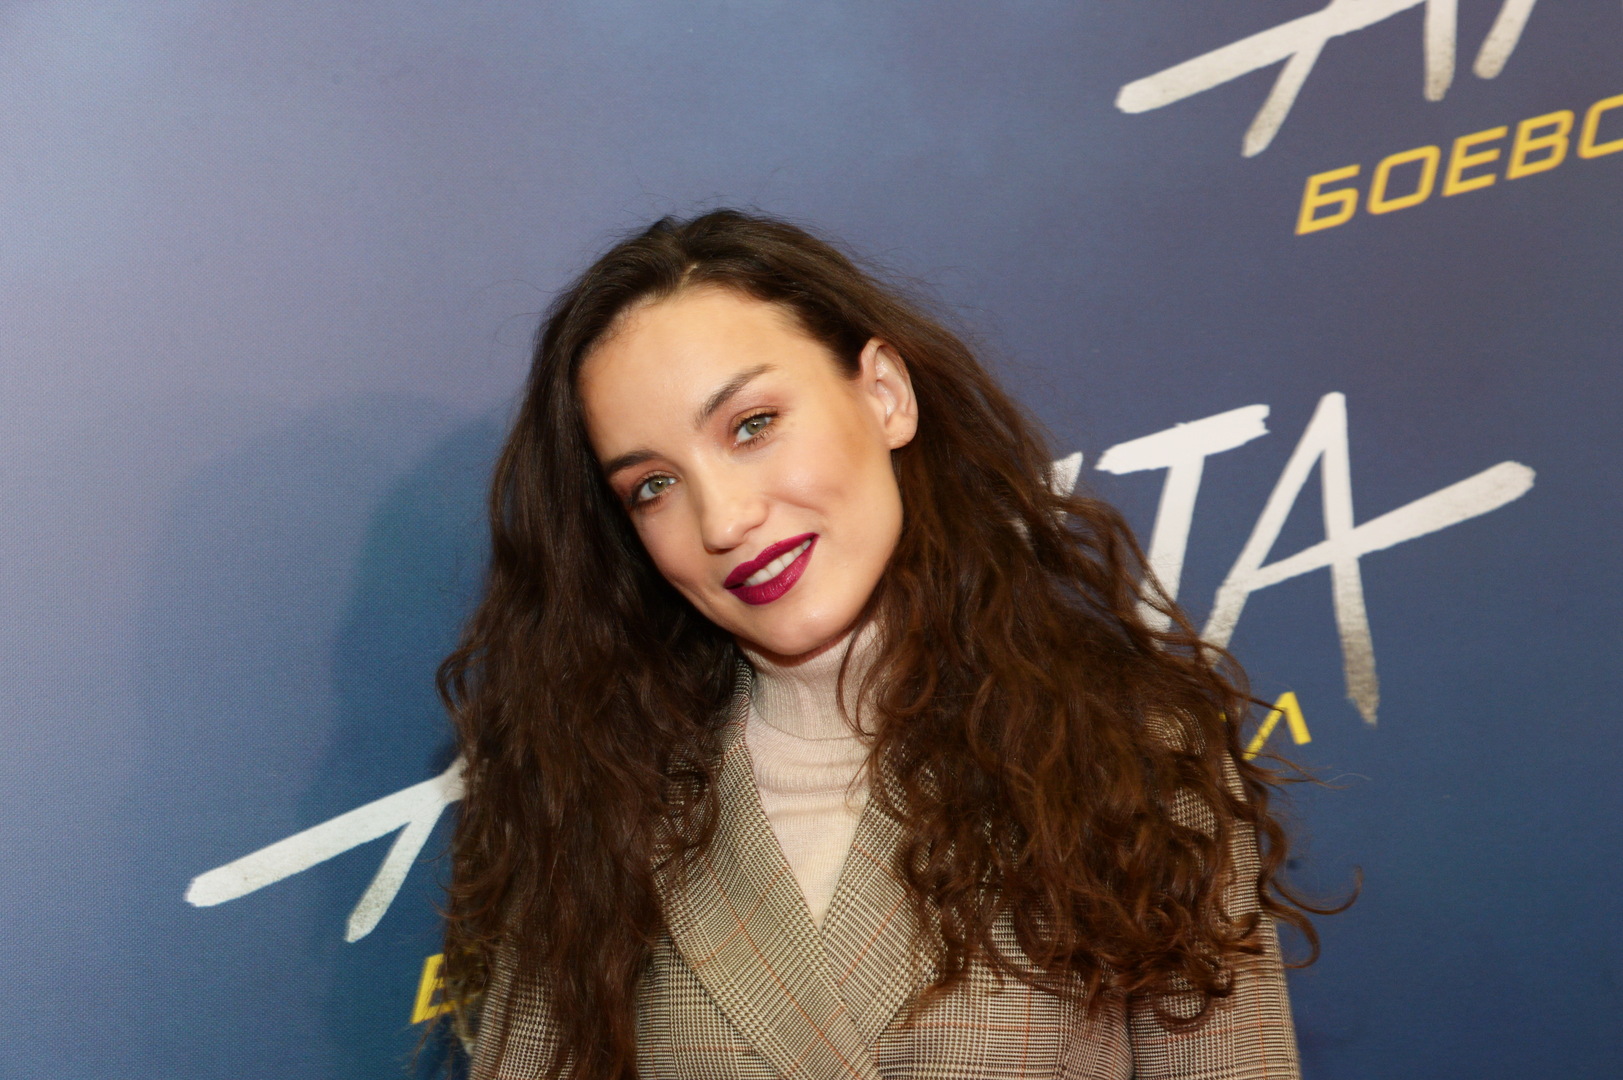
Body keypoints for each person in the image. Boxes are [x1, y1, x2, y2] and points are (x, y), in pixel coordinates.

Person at [438, 209, 1320, 1079]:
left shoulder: (1129, 750)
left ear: (885, 395)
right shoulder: (597, 801)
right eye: (653, 485)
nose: (723, 520)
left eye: (752, 425)